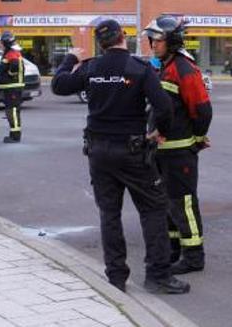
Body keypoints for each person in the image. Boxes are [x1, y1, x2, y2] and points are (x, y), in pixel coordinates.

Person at [51, 19, 190, 295]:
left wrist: (70, 58)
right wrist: (158, 131)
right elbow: (163, 106)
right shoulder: (138, 68)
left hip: (98, 151)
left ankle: (116, 277)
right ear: (123, 37)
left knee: (109, 214)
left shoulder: (91, 67)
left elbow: (59, 85)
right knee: (153, 209)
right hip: (132, 151)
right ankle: (158, 275)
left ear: (101, 44)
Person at [143, 16, 213, 275]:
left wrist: (196, 139)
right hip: (163, 151)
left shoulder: (183, 68)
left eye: (157, 40)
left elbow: (203, 110)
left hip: (179, 150)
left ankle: (194, 257)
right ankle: (174, 249)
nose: (153, 45)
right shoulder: (165, 65)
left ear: (171, 41)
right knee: (169, 203)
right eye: (151, 40)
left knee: (183, 203)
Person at [0, 31, 25, 144]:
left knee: (12, 111)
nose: (1, 44)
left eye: (2, 43)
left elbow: (14, 66)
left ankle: (15, 136)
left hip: (12, 87)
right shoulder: (10, 52)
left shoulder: (11, 53)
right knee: (12, 111)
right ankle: (13, 134)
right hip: (11, 87)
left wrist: (9, 75)